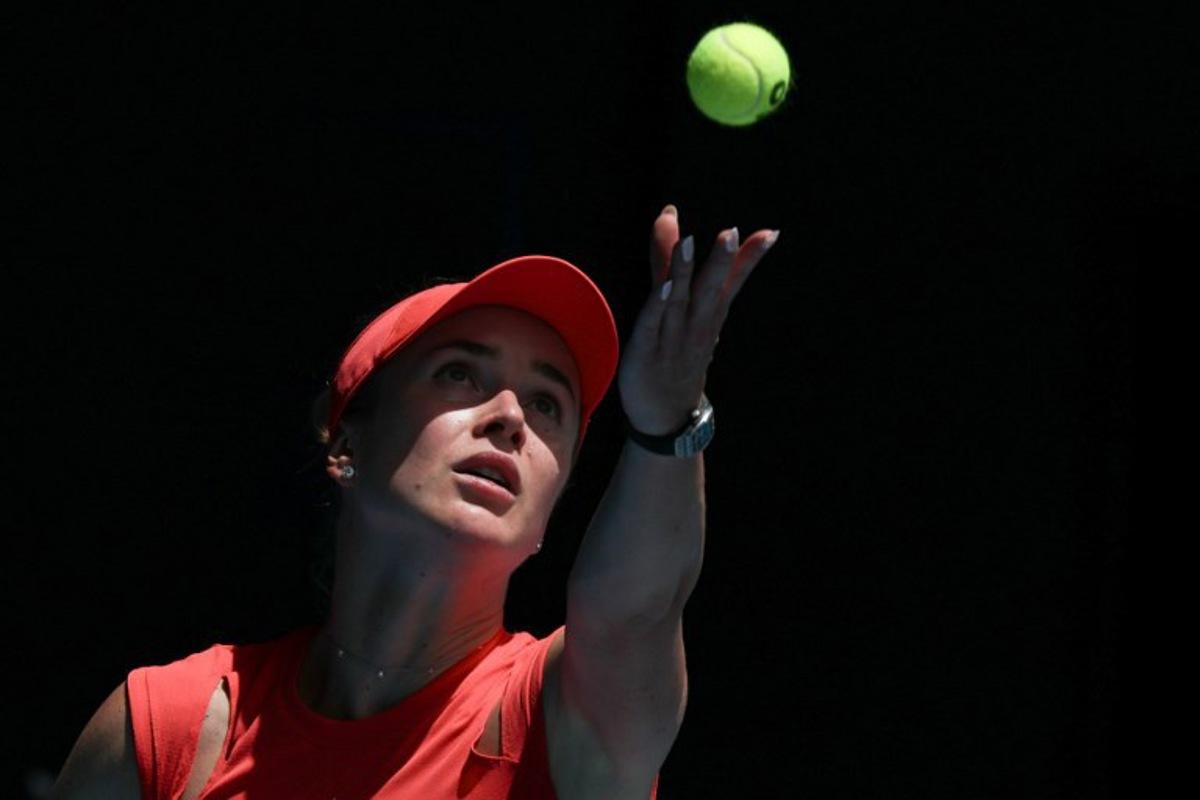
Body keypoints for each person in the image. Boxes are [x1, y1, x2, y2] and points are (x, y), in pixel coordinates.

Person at [49, 204, 780, 799]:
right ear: (347, 445)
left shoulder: (564, 718)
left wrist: (665, 427)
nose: (511, 417)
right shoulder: (171, 730)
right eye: (460, 374)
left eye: (548, 404)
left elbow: (637, 610)